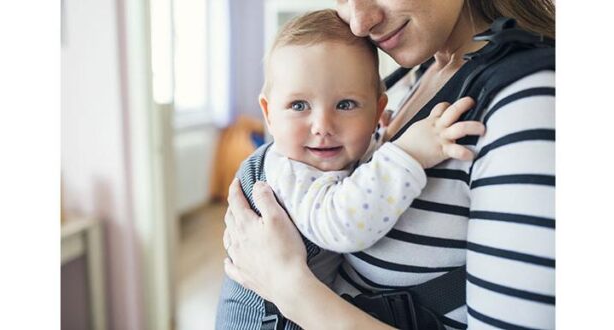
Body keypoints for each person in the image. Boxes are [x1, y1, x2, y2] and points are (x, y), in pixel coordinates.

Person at [223, 0, 555, 329]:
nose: (360, 21)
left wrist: (290, 290)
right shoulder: (414, 78)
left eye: (346, 105)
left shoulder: (527, 102)